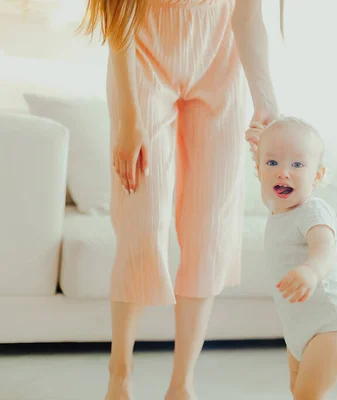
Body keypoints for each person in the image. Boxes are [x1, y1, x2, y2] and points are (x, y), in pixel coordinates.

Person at [77, 1, 280, 399]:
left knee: (210, 230)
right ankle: (120, 376)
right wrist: (129, 120)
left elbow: (248, 16)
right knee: (142, 222)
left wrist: (266, 99)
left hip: (221, 62)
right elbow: (120, 18)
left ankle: (182, 385)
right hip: (143, 58)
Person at [253, 117, 337, 399]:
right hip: (299, 329)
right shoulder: (277, 209)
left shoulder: (312, 211)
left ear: (317, 176)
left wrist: (311, 271)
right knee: (299, 392)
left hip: (333, 324)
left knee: (308, 395)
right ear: (258, 170)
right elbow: (265, 152)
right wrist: (259, 139)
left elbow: (324, 249)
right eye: (272, 164)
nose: (283, 173)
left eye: (297, 165)